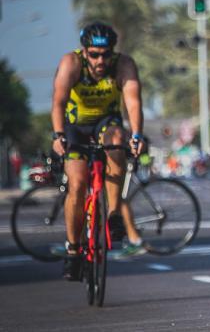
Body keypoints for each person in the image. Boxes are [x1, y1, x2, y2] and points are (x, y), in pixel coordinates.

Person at [51, 22, 146, 281]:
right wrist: (58, 135)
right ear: (84, 52)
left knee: (118, 139)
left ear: (113, 52)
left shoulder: (123, 65)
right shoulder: (72, 63)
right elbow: (59, 101)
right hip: (75, 126)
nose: (100, 60)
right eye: (94, 54)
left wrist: (136, 135)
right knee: (78, 185)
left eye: (105, 54)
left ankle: (114, 214)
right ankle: (73, 249)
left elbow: (133, 103)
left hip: (106, 122)